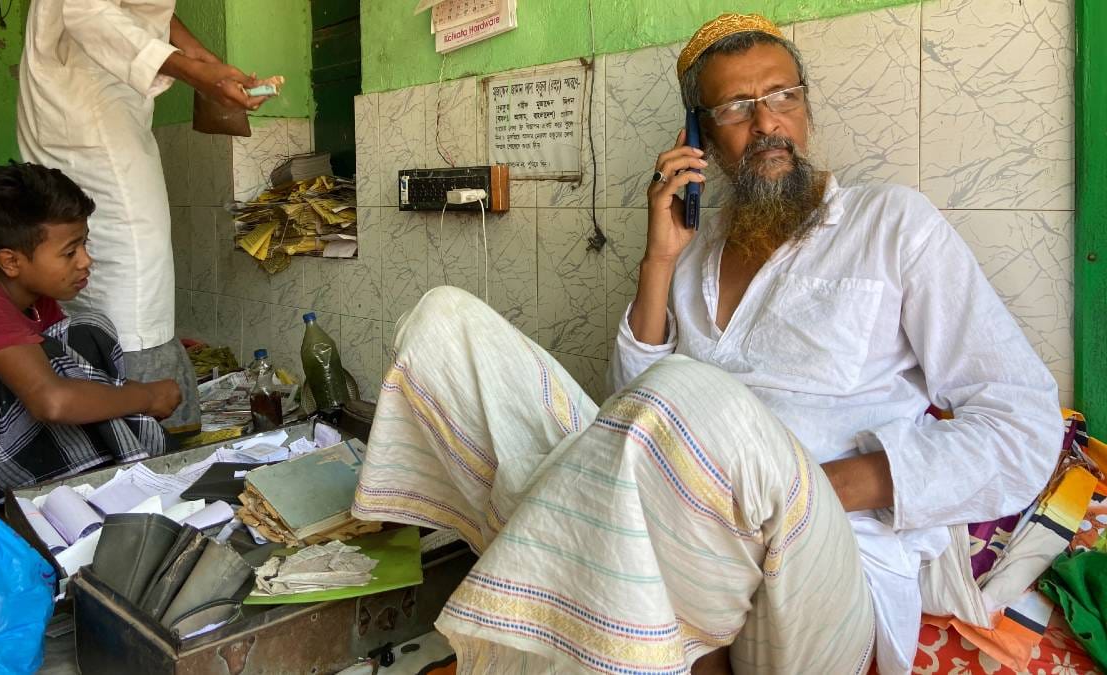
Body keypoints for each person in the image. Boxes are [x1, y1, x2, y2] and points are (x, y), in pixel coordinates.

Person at [350, 13, 1064, 675]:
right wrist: (658, 260)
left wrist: (821, 489)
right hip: (680, 531)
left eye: (783, 95)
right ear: (700, 133)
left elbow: (1023, 426)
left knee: (685, 395)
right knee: (444, 326)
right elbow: (625, 406)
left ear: (806, 107)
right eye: (735, 108)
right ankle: (611, 604)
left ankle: (565, 604)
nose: (767, 123)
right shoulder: (695, 252)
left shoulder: (893, 225)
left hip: (825, 567)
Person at [16, 0, 270, 435]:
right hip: (84, 114)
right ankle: (141, 429)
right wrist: (195, 72)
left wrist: (201, 60)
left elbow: (144, 6)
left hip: (95, 109)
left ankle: (119, 422)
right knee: (132, 281)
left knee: (117, 278)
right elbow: (87, 11)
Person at [0, 162, 179, 523]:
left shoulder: (36, 300)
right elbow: (51, 402)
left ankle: (137, 469)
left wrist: (138, 396)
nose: (86, 261)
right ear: (11, 261)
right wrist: (147, 397)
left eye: (85, 244)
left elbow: (81, 383)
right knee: (83, 338)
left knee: (86, 372)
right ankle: (141, 472)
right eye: (69, 252)